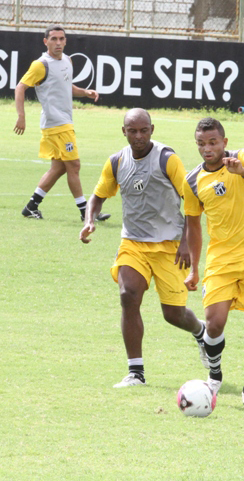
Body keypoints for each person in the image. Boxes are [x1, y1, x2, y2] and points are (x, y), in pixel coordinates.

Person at [80, 108, 208, 388]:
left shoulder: (167, 160)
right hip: (133, 242)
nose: (138, 136)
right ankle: (135, 372)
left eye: (144, 130)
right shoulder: (116, 162)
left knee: (173, 315)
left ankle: (200, 331)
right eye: (132, 131)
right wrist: (90, 221)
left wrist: (186, 241)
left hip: (170, 245)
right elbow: (98, 196)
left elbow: (191, 200)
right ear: (123, 131)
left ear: (152, 130)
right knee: (128, 295)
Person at [183, 117, 244, 409]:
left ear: (224, 142)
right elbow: (194, 226)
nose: (207, 148)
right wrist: (194, 268)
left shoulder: (242, 157)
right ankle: (215, 376)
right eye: (202, 143)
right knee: (213, 324)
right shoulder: (192, 180)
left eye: (213, 142)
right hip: (222, 261)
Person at [14, 24, 110, 223]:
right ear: (45, 41)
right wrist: (21, 116)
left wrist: (84, 92)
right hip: (56, 124)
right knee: (74, 165)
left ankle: (31, 207)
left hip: (64, 122)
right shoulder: (41, 65)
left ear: (66, 41)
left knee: (59, 168)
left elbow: (66, 85)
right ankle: (86, 212)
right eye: (54, 39)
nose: (58, 43)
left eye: (61, 39)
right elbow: (20, 87)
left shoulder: (67, 60)